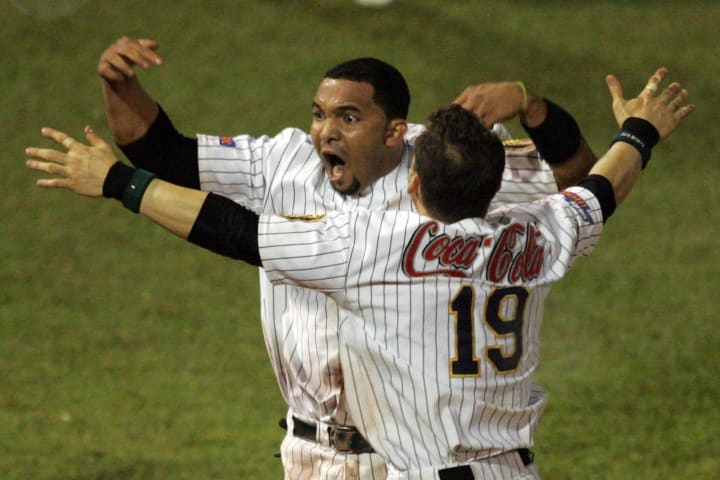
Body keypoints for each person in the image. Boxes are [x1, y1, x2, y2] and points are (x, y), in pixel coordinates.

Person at [26, 68, 692, 479]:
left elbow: (230, 229)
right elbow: (601, 189)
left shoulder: (373, 246)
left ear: (416, 177)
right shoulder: (538, 235)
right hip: (509, 469)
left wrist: (119, 180)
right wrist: (639, 131)